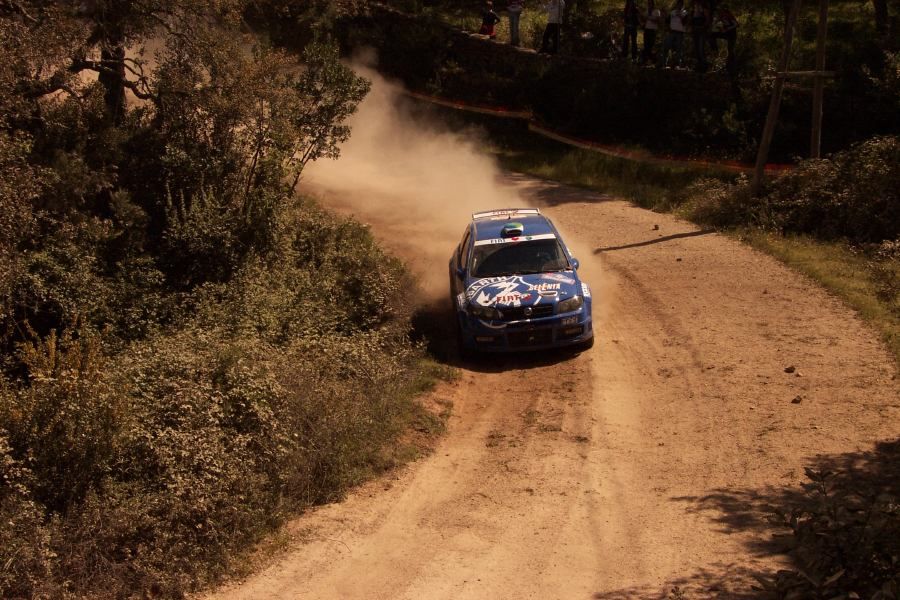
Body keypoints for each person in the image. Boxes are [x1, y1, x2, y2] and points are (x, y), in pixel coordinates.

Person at [658, 0, 687, 69]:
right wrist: (664, 16)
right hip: (672, 32)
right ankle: (663, 63)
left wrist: (680, 15)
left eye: (680, 4)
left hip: (679, 33)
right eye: (678, 4)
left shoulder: (685, 12)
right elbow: (667, 21)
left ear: (682, 5)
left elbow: (685, 23)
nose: (679, 6)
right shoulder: (672, 12)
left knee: (678, 49)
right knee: (666, 47)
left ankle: (677, 65)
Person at [710, 4, 738, 75]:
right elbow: (717, 24)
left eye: (721, 11)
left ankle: (731, 67)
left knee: (731, 50)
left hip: (732, 35)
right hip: (726, 34)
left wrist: (726, 29)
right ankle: (715, 49)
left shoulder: (729, 15)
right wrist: (719, 27)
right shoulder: (721, 17)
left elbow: (736, 24)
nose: (720, 13)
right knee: (712, 35)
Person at [690, 0, 709, 72]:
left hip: (702, 31)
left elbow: (707, 20)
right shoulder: (693, 9)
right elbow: (691, 21)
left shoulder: (704, 8)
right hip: (695, 31)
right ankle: (699, 66)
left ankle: (704, 66)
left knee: (701, 48)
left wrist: (702, 27)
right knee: (696, 49)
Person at [641, 0, 661, 65]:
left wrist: (649, 17)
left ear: (653, 4)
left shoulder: (657, 11)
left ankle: (654, 60)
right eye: (648, 4)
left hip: (653, 30)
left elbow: (657, 20)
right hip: (646, 30)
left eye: (650, 4)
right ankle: (646, 61)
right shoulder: (646, 11)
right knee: (646, 46)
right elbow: (643, 19)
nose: (649, 5)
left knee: (651, 46)